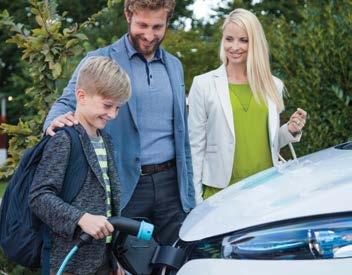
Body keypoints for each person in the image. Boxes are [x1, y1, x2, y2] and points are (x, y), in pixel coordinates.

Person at [43, 0, 195, 245]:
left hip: (171, 186)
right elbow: (66, 102)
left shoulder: (175, 66)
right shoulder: (100, 60)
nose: (149, 34)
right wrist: (53, 122)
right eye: (142, 25)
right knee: (125, 262)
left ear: (167, 21)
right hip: (125, 185)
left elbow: (182, 136)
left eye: (157, 27)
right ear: (127, 16)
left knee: (172, 261)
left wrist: (188, 194)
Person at [188, 8, 307, 204]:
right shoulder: (203, 84)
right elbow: (195, 147)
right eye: (229, 39)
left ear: (255, 43)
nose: (235, 47)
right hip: (220, 194)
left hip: (267, 189)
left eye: (244, 40)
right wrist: (195, 200)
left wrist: (290, 130)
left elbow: (270, 142)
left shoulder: (272, 84)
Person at [29, 56, 131, 274]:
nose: (112, 114)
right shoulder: (64, 140)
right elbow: (39, 197)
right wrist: (81, 219)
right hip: (70, 262)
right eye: (107, 105)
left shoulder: (106, 140)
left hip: (103, 261)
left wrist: (114, 257)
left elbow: (109, 204)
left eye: (118, 108)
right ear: (81, 96)